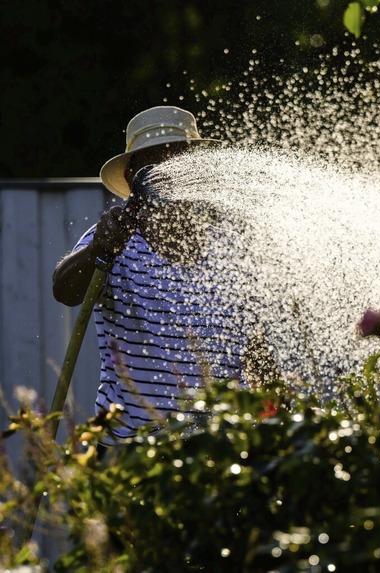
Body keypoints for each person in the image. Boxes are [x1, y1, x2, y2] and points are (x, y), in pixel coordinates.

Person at [52, 105, 277, 445]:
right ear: (132, 179)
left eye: (178, 159)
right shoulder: (114, 239)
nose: (168, 173)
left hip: (224, 446)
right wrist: (99, 249)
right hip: (136, 447)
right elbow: (64, 290)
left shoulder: (232, 248)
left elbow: (256, 353)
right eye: (154, 162)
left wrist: (279, 427)